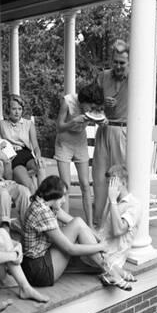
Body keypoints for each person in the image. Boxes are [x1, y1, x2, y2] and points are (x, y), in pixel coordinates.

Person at [22, 175, 106, 287]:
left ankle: (108, 267)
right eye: (62, 197)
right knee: (89, 256)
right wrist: (101, 246)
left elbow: (78, 224)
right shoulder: (42, 212)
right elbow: (70, 249)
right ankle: (110, 268)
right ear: (54, 195)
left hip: (40, 259)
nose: (64, 200)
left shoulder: (45, 203)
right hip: (39, 270)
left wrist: (100, 239)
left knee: (78, 223)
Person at [82, 165, 141, 291]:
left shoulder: (134, 205)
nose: (110, 188)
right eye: (109, 184)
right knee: (78, 226)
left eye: (113, 183)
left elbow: (118, 231)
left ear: (123, 182)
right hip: (100, 250)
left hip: (111, 256)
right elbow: (101, 231)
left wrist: (112, 201)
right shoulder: (112, 201)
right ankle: (120, 273)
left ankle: (115, 272)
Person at [55, 83, 105, 226]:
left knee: (85, 185)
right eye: (90, 107)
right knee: (66, 186)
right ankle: (66, 225)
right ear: (83, 102)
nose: (92, 110)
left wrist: (102, 122)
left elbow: (99, 117)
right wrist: (73, 122)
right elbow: (59, 127)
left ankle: (89, 226)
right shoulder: (67, 102)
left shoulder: (93, 107)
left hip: (80, 142)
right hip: (64, 143)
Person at [92, 39, 129, 227]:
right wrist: (101, 105)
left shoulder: (136, 78)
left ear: (129, 62)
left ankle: (119, 223)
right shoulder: (102, 76)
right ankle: (98, 224)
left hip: (123, 131)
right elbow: (89, 103)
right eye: (115, 61)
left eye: (122, 62)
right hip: (103, 128)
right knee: (99, 178)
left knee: (119, 178)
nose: (118, 66)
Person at [0, 94, 46, 192]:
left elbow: (35, 146)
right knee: (30, 185)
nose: (17, 112)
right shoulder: (2, 124)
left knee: (41, 166)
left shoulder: (28, 124)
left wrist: (38, 157)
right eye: (14, 109)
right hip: (13, 157)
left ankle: (43, 198)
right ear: (8, 109)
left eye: (19, 108)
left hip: (26, 154)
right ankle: (36, 204)